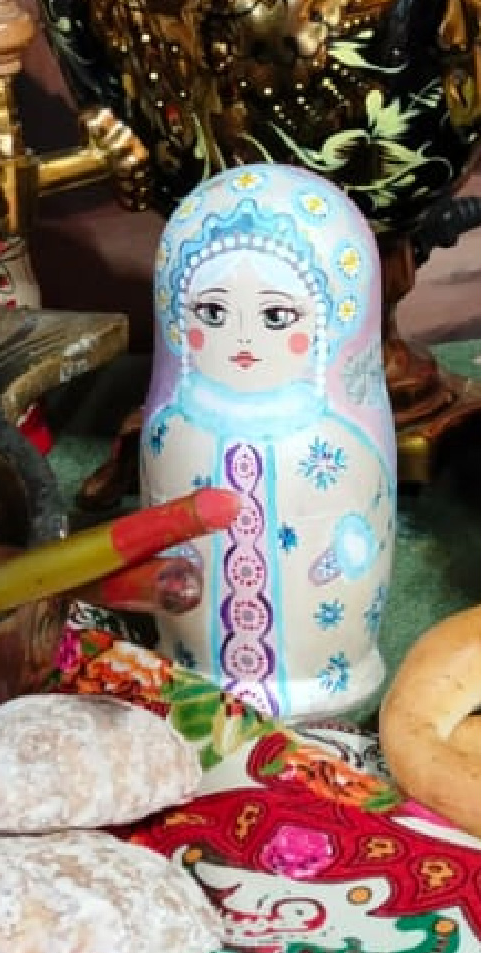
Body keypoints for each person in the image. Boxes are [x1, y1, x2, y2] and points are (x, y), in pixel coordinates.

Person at [141, 165, 396, 720]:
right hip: (194, 666)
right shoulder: (173, 430)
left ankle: (324, 672)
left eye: (277, 316)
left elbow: (365, 514)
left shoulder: (338, 436)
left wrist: (343, 550)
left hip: (327, 671)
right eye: (212, 313)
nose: (243, 339)